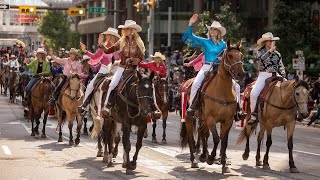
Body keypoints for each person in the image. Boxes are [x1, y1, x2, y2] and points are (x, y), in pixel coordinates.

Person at [99, 20, 160, 117]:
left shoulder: (139, 43)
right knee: (113, 84)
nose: (125, 30)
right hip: (122, 68)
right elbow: (107, 51)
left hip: (135, 69)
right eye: (125, 29)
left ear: (132, 30)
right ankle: (107, 105)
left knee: (148, 84)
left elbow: (142, 56)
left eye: (127, 29)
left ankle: (154, 107)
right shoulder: (121, 41)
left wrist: (136, 60)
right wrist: (101, 44)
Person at [183, 14, 227, 116]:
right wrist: (190, 24)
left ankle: (237, 110)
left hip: (220, 68)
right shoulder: (206, 42)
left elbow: (228, 56)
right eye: (211, 29)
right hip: (207, 67)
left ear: (218, 32)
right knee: (196, 84)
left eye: (215, 30)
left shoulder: (223, 44)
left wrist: (222, 58)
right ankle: (191, 107)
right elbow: (191, 36)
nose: (212, 31)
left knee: (236, 86)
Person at [78, 27, 121, 115]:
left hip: (116, 70)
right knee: (90, 86)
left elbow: (120, 59)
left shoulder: (118, 47)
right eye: (107, 35)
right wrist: (85, 51)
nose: (107, 37)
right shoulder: (103, 47)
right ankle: (85, 106)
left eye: (108, 35)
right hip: (103, 71)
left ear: (113, 37)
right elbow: (94, 57)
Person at [247, 32, 286, 124]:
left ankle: (291, 111)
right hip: (263, 75)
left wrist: (283, 70)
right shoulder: (259, 52)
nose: (272, 43)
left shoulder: (278, 54)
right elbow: (260, 59)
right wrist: (270, 52)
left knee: (290, 87)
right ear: (265, 42)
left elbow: (280, 64)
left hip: (275, 74)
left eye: (273, 41)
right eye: (270, 41)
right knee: (254, 93)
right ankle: (253, 114)